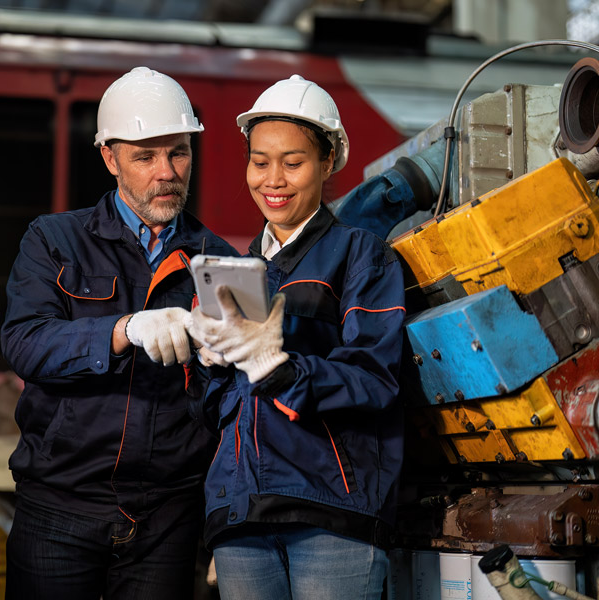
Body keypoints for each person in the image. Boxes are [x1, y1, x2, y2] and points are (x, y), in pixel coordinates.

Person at [0, 66, 237, 600]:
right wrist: (124, 329)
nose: (166, 173)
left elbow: (238, 401)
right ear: (110, 158)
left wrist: (229, 519)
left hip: (168, 518)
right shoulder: (54, 240)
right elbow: (26, 343)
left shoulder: (220, 261)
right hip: (59, 506)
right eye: (145, 157)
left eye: (178, 153)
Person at [188, 74, 407, 600]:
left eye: (293, 161)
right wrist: (210, 361)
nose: (273, 179)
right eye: (260, 162)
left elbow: (375, 378)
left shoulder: (363, 255)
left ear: (329, 161)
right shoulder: (238, 272)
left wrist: (277, 366)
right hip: (240, 512)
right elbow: (221, 409)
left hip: (330, 510)